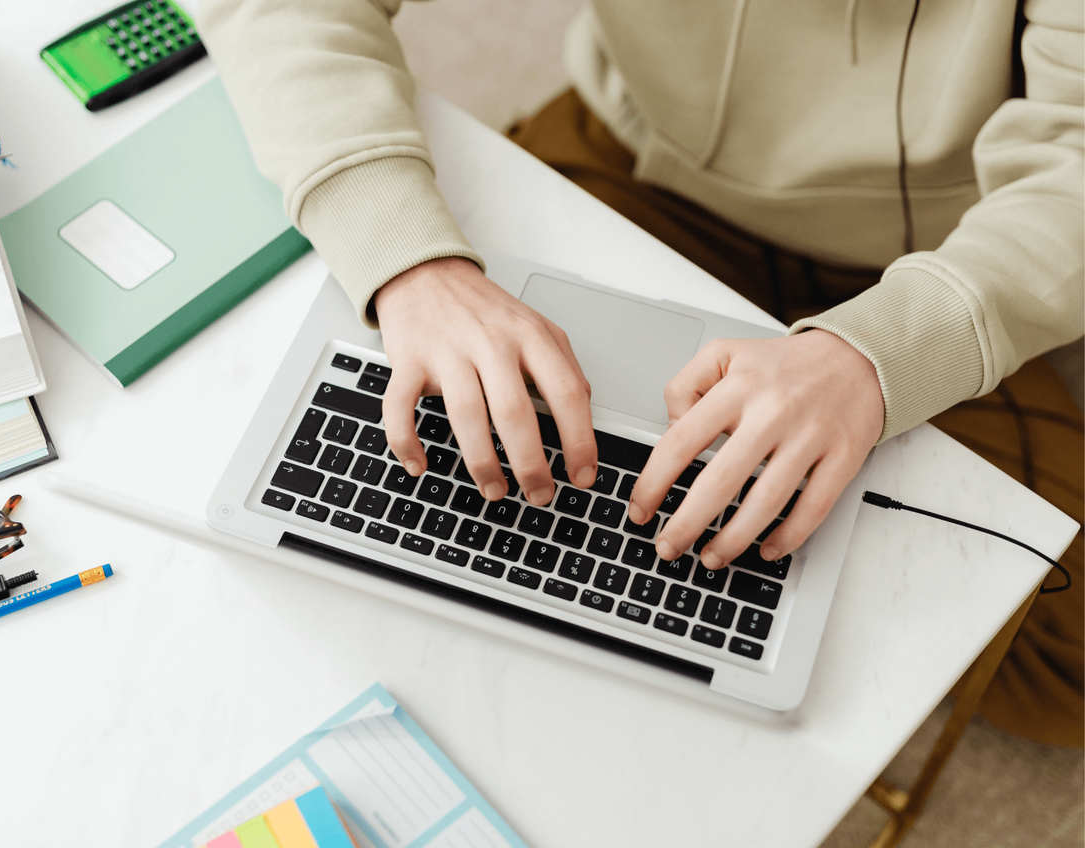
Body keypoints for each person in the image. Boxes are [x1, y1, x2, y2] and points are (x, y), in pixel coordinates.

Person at [197, 0, 1084, 745]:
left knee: (1068, 660)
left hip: (944, 244)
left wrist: (878, 356)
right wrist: (407, 261)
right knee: (427, 468)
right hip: (633, 162)